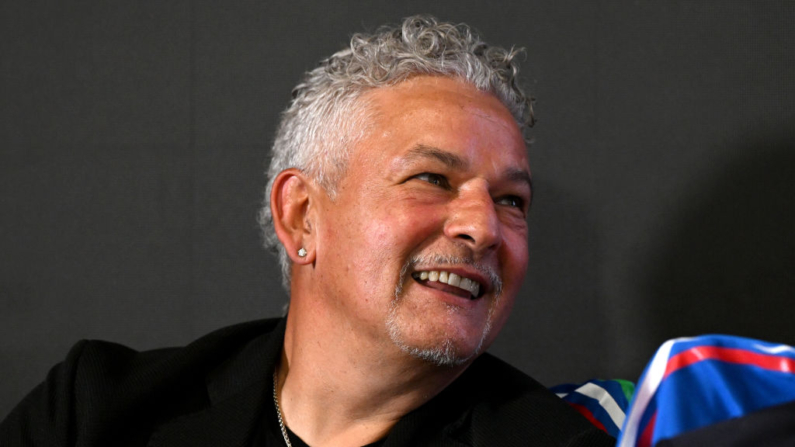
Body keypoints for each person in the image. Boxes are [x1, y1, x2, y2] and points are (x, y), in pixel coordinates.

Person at [1, 15, 614, 447]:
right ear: (301, 214)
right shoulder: (94, 413)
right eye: (431, 178)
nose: (484, 228)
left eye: (512, 200)